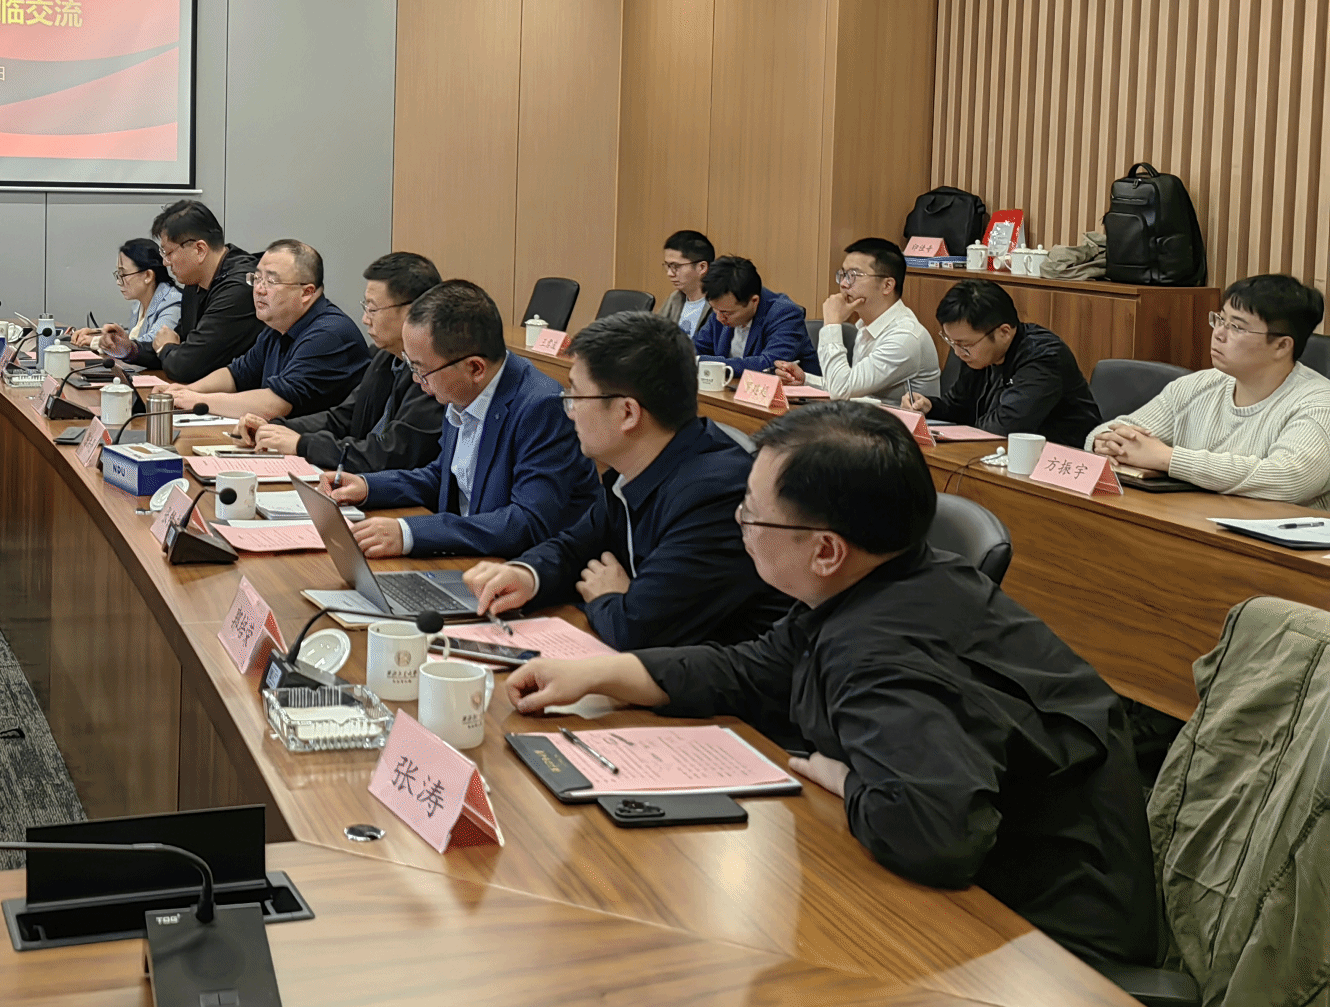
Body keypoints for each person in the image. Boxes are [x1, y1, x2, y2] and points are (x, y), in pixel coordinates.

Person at [505, 402, 1160, 969]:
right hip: (988, 895)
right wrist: (603, 672)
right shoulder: (892, 581)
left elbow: (934, 835)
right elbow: (753, 669)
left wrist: (845, 778)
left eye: (752, 515)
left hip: (1045, 949)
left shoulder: (885, 651)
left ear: (826, 549)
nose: (739, 523)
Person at [466, 312, 785, 650]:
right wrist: (526, 575)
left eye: (575, 396)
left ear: (628, 413)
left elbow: (640, 629)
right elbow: (575, 548)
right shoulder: (635, 464)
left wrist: (608, 598)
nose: (569, 411)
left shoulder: (715, 495)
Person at [323, 281, 598, 558]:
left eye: (421, 369)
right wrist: (368, 487)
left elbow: (526, 523)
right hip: (471, 558)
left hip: (518, 570)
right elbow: (444, 476)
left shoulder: (541, 407)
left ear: (475, 368)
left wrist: (410, 533)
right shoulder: (460, 389)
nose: (416, 380)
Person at [1086, 275, 1330, 505]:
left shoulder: (1319, 404)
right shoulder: (1197, 386)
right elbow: (1108, 430)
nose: (1219, 334)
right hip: (1193, 518)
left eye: (1237, 327)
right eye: (1220, 320)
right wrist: (1106, 444)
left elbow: (1288, 478)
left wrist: (1167, 459)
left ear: (1281, 346)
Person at [241, 251, 446, 473]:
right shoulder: (383, 357)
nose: (365, 319)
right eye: (365, 307)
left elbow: (391, 454)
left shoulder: (433, 374)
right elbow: (343, 418)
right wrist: (275, 428)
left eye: (373, 309)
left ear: (413, 312)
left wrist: (302, 445)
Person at [166, 240, 370, 419]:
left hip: (322, 446)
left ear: (307, 292)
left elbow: (274, 404)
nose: (259, 289)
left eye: (271, 281)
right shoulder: (278, 326)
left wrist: (196, 400)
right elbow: (237, 374)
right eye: (256, 278)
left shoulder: (328, 334)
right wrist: (186, 391)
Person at [901, 281, 1100, 444]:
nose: (958, 352)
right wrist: (929, 406)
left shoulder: (1044, 356)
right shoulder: (978, 354)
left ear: (1004, 332)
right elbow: (959, 406)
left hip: (1058, 461)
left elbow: (1005, 427)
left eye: (965, 344)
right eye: (952, 342)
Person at [100, 201, 260, 383]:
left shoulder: (238, 289)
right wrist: (130, 349)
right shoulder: (195, 280)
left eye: (168, 253)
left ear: (200, 250)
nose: (165, 262)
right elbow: (176, 343)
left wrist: (166, 348)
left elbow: (187, 365)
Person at [778, 237, 939, 401]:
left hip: (897, 418)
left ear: (887, 285)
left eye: (854, 275)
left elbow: (842, 390)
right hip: (865, 413)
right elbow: (851, 386)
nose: (843, 284)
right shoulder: (866, 325)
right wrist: (806, 380)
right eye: (843, 274)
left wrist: (832, 324)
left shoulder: (905, 337)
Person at [691, 257, 819, 377]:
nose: (719, 318)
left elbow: (769, 365)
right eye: (715, 310)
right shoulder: (721, 308)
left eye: (727, 313)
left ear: (754, 301)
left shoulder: (785, 314)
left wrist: (701, 362)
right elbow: (695, 348)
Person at [70, 238, 182, 351]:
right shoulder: (140, 304)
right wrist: (96, 333)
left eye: (123, 274)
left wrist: (97, 342)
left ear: (148, 275)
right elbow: (134, 336)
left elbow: (152, 344)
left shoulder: (173, 303)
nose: (119, 282)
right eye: (118, 274)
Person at [657, 231, 716, 337]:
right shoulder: (675, 298)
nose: (670, 273)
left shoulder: (718, 306)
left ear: (702, 267)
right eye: (668, 266)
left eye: (676, 266)